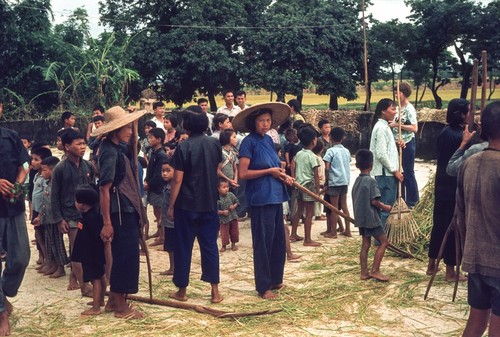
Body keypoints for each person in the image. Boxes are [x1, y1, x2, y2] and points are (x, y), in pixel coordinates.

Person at [234, 102, 293, 299]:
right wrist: (269, 171)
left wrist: (284, 175)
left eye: (268, 120)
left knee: (277, 242)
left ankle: (276, 280)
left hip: (276, 196)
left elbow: (275, 166)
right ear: (254, 122)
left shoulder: (268, 140)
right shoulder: (248, 142)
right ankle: (263, 286)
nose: (265, 124)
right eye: (261, 121)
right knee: (263, 243)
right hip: (260, 198)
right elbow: (243, 173)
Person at [92, 106, 146, 319]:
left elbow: (133, 144)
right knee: (124, 257)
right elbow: (104, 189)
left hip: (126, 210)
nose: (130, 132)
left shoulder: (118, 147)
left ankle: (115, 299)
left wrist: (134, 121)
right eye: (126, 128)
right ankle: (122, 308)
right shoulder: (108, 152)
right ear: (115, 130)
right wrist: (107, 222)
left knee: (129, 255)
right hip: (118, 213)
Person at [167, 108, 223, 303]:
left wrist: (171, 205)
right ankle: (215, 291)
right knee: (209, 247)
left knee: (183, 247)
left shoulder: (183, 147)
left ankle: (182, 291)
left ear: (188, 126)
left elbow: (177, 180)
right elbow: (216, 170)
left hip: (187, 204)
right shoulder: (215, 144)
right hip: (209, 203)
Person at [456, 101, 500, 337]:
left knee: (476, 320)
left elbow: (459, 215)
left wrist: (466, 249)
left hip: (474, 257)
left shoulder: (468, 163)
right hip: (497, 260)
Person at [427, 98, 469, 281]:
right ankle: (450, 272)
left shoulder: (446, 132)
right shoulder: (460, 136)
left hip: (441, 185)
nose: (471, 115)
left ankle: (431, 265)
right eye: (469, 111)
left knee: (439, 224)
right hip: (453, 186)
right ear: (461, 114)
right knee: (453, 227)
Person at [51, 128, 95, 295]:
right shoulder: (60, 169)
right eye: (78, 144)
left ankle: (75, 278)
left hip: (86, 214)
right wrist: (59, 219)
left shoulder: (87, 166)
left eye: (84, 143)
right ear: (67, 146)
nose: (83, 147)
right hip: (69, 215)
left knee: (86, 249)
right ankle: (84, 286)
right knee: (77, 250)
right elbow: (54, 196)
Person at [0, 106, 31, 336]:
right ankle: (1, 314)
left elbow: (25, 165)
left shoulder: (10, 136)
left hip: (13, 206)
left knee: (21, 257)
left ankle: (4, 292)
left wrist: (19, 183)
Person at [352, 149, 392, 282]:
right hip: (371, 218)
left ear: (357, 165)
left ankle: (364, 273)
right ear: (372, 164)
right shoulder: (371, 181)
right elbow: (374, 201)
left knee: (365, 244)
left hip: (361, 218)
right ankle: (375, 270)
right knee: (384, 242)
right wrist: (385, 207)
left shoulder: (357, 181)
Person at [369, 98, 404, 230]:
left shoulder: (384, 127)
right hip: (386, 174)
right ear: (383, 111)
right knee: (385, 208)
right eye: (393, 109)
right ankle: (380, 240)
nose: (395, 112)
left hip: (388, 173)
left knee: (385, 208)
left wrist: (397, 144)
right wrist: (395, 171)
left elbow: (386, 149)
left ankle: (381, 237)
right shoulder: (381, 128)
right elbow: (381, 154)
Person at [73, 184, 106, 316]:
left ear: (83, 204)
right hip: (94, 253)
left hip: (92, 254)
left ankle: (96, 307)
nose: (75, 203)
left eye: (76, 201)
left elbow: (93, 238)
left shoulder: (92, 218)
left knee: (95, 279)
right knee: (100, 276)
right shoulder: (88, 216)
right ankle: (101, 300)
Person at [37, 156, 68, 279]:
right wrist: (40, 216)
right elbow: (45, 202)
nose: (42, 173)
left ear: (53, 170)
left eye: (44, 170)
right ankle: (53, 265)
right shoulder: (47, 183)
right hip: (47, 218)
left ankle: (61, 268)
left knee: (58, 244)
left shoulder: (57, 184)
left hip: (55, 219)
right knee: (50, 243)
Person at [290, 127, 321, 247]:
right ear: (314, 140)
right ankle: (307, 239)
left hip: (299, 185)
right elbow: (316, 176)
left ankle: (293, 234)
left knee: (299, 210)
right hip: (309, 186)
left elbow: (294, 165)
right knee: (309, 213)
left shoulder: (299, 153)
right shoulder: (313, 156)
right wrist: (317, 191)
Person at [389, 82, 419, 207]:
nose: (396, 95)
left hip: (407, 142)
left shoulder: (409, 109)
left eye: (398, 92)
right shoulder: (397, 108)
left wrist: (397, 125)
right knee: (398, 171)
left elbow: (414, 128)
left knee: (408, 171)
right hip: (397, 143)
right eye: (395, 92)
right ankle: (400, 199)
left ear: (403, 93)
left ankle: (413, 201)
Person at [323, 127, 352, 238]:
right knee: (344, 206)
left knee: (334, 208)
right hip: (344, 181)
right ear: (343, 138)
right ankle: (348, 230)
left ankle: (333, 232)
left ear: (330, 137)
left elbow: (327, 167)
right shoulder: (346, 151)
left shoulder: (330, 151)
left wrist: (326, 181)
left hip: (334, 182)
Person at [29, 146, 52, 273]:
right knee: (38, 235)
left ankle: (50, 261)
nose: (33, 162)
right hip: (37, 210)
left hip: (44, 211)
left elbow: (45, 195)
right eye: (32, 159)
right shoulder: (36, 175)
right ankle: (45, 258)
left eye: (36, 159)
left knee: (45, 235)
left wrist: (41, 213)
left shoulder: (45, 178)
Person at [145, 128, 167, 247]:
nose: (149, 140)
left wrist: (149, 183)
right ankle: (159, 232)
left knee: (160, 212)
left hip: (158, 188)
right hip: (153, 188)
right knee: (155, 210)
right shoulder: (154, 152)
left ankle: (163, 236)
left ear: (159, 139)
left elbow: (159, 174)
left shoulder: (161, 155)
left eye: (151, 137)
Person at [159, 158, 175, 276]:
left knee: (172, 246)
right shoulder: (166, 186)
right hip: (166, 221)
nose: (164, 173)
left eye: (168, 170)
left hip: (173, 223)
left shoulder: (174, 187)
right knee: (169, 246)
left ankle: (173, 268)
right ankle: (172, 267)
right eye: (163, 171)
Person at [217, 179, 239, 252]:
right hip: (224, 219)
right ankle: (224, 245)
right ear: (218, 189)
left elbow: (237, 202)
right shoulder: (217, 198)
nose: (226, 189)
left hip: (233, 217)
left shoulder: (231, 195)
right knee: (224, 233)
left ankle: (233, 244)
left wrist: (234, 206)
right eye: (224, 187)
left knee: (234, 231)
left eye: (227, 187)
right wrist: (222, 212)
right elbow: (215, 211)